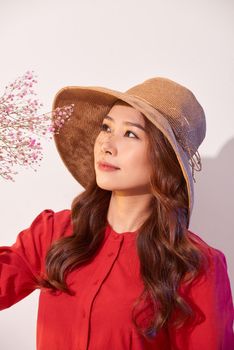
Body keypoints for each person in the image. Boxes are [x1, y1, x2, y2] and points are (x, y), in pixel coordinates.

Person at [0, 77, 233, 350]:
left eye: (130, 134)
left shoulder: (194, 266)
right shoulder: (53, 233)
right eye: (106, 127)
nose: (106, 144)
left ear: (165, 159)